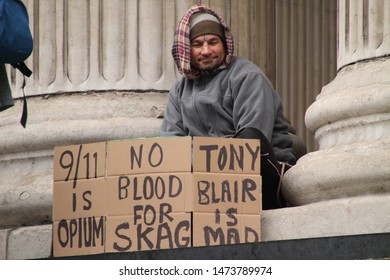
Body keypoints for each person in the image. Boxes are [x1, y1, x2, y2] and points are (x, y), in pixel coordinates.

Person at [160, 4, 303, 209]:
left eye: (213, 42)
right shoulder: (179, 91)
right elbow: (170, 143)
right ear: (187, 50)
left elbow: (251, 143)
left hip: (260, 173)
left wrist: (199, 158)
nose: (206, 50)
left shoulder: (247, 76)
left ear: (225, 45)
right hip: (206, 179)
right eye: (198, 44)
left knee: (249, 139)